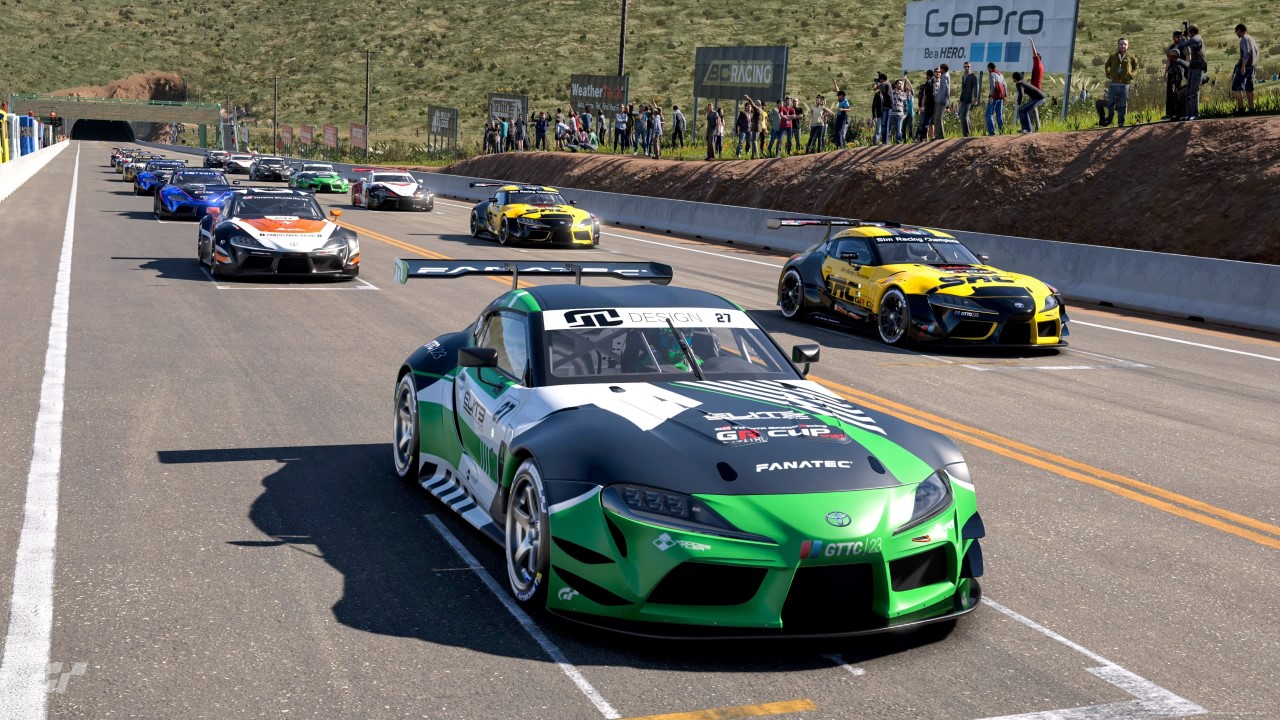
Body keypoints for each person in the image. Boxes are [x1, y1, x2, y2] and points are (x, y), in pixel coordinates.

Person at [1102, 37, 1139, 127]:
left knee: (1123, 104)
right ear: (1118, 45)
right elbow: (1107, 65)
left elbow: (1136, 67)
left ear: (1128, 46)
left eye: (1125, 44)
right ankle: (1109, 119)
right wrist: (1109, 74)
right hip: (1113, 83)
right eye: (1121, 44)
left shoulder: (1131, 57)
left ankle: (1120, 122)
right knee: (1110, 103)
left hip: (1125, 84)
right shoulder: (1113, 56)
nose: (1123, 46)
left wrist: (1132, 75)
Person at [1177, 24, 1206, 120]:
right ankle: (1188, 114)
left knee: (1194, 92)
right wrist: (1185, 37)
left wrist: (1182, 38)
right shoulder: (1194, 39)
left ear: (1192, 32)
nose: (1188, 33)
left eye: (1188, 31)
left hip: (1198, 68)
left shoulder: (1196, 39)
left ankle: (1194, 115)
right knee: (1188, 92)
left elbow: (1182, 45)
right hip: (1193, 67)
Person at [1234, 23, 1259, 114]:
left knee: (1237, 87)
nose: (1236, 34)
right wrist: (1254, 67)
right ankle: (1251, 109)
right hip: (1252, 67)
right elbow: (1257, 52)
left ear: (1239, 30)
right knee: (1249, 88)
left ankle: (1241, 109)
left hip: (1245, 67)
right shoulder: (1251, 39)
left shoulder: (1244, 39)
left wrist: (1243, 66)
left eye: (1236, 32)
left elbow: (1246, 53)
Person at [1165, 48, 1190, 121]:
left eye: (1169, 55)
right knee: (1179, 95)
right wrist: (1174, 84)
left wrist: (1176, 86)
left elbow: (1180, 75)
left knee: (1180, 95)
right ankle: (1180, 114)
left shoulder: (1177, 62)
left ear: (1173, 56)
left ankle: (1181, 115)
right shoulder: (1175, 62)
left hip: (1193, 81)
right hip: (1190, 81)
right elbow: (1175, 75)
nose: (1168, 57)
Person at [957, 61, 981, 136]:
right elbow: (963, 89)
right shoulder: (963, 76)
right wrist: (960, 100)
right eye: (965, 67)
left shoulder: (973, 76)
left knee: (963, 116)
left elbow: (976, 87)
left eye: (968, 67)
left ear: (970, 67)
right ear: (964, 68)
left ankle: (966, 134)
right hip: (963, 99)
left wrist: (975, 97)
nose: (967, 68)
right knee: (964, 116)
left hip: (969, 99)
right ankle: (969, 133)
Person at [1027, 39, 1044, 131]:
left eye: (1035, 57)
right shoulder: (1041, 66)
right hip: (1036, 88)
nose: (1033, 58)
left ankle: (1035, 127)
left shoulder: (1037, 64)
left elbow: (1034, 54)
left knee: (1032, 107)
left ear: (1038, 58)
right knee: (1032, 107)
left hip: (1034, 89)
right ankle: (1034, 126)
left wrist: (1032, 42)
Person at [985, 63, 1006, 135]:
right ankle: (1001, 132)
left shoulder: (992, 74)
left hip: (994, 97)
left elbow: (993, 85)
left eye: (988, 68)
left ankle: (992, 132)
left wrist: (991, 96)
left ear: (989, 68)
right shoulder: (1000, 74)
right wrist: (1004, 96)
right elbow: (1005, 85)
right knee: (999, 115)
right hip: (1001, 98)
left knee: (989, 114)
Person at [917, 68, 936, 141]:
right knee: (931, 122)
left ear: (927, 75)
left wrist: (921, 105)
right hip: (933, 104)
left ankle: (923, 137)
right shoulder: (934, 82)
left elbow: (924, 95)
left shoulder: (927, 83)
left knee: (926, 121)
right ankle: (929, 137)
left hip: (928, 104)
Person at [933, 64, 951, 140]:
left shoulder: (944, 76)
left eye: (940, 69)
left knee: (938, 118)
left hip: (941, 101)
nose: (939, 70)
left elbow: (946, 89)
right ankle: (939, 136)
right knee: (937, 118)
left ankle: (939, 136)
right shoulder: (945, 76)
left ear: (943, 69)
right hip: (940, 100)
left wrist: (945, 100)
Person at [888, 80, 908, 144]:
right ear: (896, 85)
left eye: (901, 84)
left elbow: (905, 105)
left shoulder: (904, 94)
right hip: (891, 114)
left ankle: (898, 143)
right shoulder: (891, 93)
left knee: (899, 131)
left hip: (900, 115)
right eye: (899, 83)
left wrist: (905, 114)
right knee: (889, 129)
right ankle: (886, 143)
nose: (900, 85)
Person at [832, 84, 850, 148]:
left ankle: (842, 147)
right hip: (838, 117)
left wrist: (842, 109)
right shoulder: (840, 100)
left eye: (838, 96)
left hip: (843, 117)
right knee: (837, 132)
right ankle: (838, 146)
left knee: (840, 132)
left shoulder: (845, 101)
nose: (838, 97)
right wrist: (835, 83)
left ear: (842, 95)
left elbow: (849, 109)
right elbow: (838, 90)